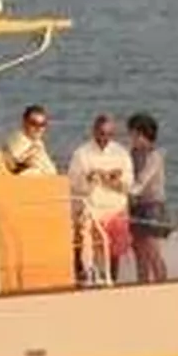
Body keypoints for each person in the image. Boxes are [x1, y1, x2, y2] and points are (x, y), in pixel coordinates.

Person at [67, 113, 134, 283]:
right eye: (102, 133)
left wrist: (112, 180)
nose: (105, 138)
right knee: (87, 251)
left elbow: (128, 184)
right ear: (94, 132)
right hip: (91, 209)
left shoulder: (121, 153)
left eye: (109, 134)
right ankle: (85, 280)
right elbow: (74, 185)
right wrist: (89, 179)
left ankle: (113, 280)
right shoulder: (81, 154)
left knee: (113, 253)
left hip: (115, 209)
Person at [127, 112, 169, 283]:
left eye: (134, 134)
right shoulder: (132, 153)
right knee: (139, 253)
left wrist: (126, 191)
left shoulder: (155, 155)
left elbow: (142, 180)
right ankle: (142, 285)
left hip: (152, 207)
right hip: (135, 206)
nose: (132, 138)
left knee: (153, 252)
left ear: (143, 134)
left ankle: (162, 284)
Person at [2, 104, 56, 175]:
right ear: (25, 123)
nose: (38, 128)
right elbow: (12, 162)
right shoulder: (19, 140)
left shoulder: (37, 143)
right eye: (34, 123)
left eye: (42, 124)